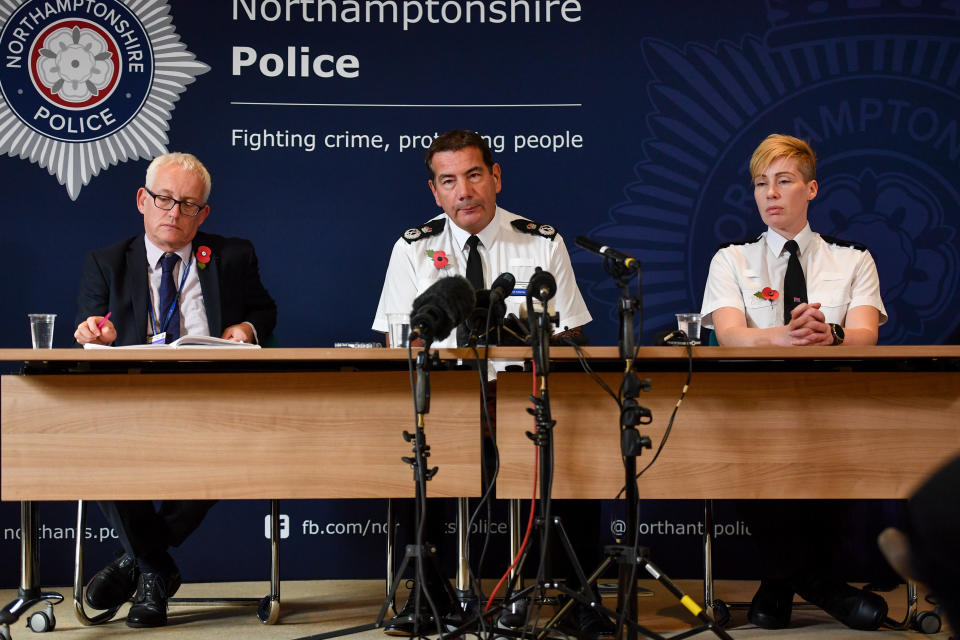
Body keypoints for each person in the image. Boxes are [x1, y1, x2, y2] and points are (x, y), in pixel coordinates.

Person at [372, 130, 599, 635]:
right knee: (412, 445)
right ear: (435, 192)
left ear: (495, 177)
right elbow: (398, 340)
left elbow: (570, 335)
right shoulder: (413, 249)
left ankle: (577, 594)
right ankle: (427, 594)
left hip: (524, 396)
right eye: (448, 181)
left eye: (474, 176)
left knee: (577, 441)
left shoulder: (541, 241)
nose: (464, 192)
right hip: (445, 400)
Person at [73, 152, 277, 628]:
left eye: (188, 204)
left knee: (231, 447)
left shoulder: (232, 256)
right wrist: (95, 336)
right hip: (128, 402)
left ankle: (139, 563)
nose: (174, 212)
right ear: (143, 200)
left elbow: (264, 312)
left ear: (203, 213)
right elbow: (91, 325)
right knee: (98, 446)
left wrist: (245, 329)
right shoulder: (106, 262)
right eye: (165, 199)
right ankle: (156, 568)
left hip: (211, 398)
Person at [700, 134, 889, 630]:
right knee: (752, 446)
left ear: (812, 189)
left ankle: (780, 582)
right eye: (761, 184)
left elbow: (866, 336)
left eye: (783, 181)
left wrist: (830, 335)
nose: (770, 193)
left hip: (833, 407)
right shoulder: (732, 259)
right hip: (754, 408)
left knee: (824, 445)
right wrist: (784, 336)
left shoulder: (853, 259)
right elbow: (730, 337)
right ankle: (822, 587)